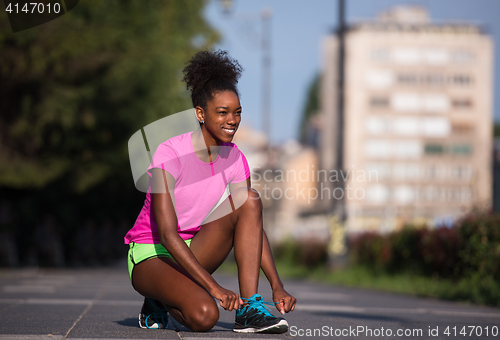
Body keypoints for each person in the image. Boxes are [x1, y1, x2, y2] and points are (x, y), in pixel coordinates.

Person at [124, 50, 296, 333]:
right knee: (205, 317)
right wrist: (213, 287)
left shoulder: (236, 158)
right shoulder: (170, 153)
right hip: (151, 252)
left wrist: (277, 286)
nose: (232, 120)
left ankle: (250, 308)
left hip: (195, 247)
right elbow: (167, 234)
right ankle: (157, 296)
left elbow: (252, 224)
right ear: (200, 114)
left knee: (249, 201)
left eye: (237, 112)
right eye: (223, 112)